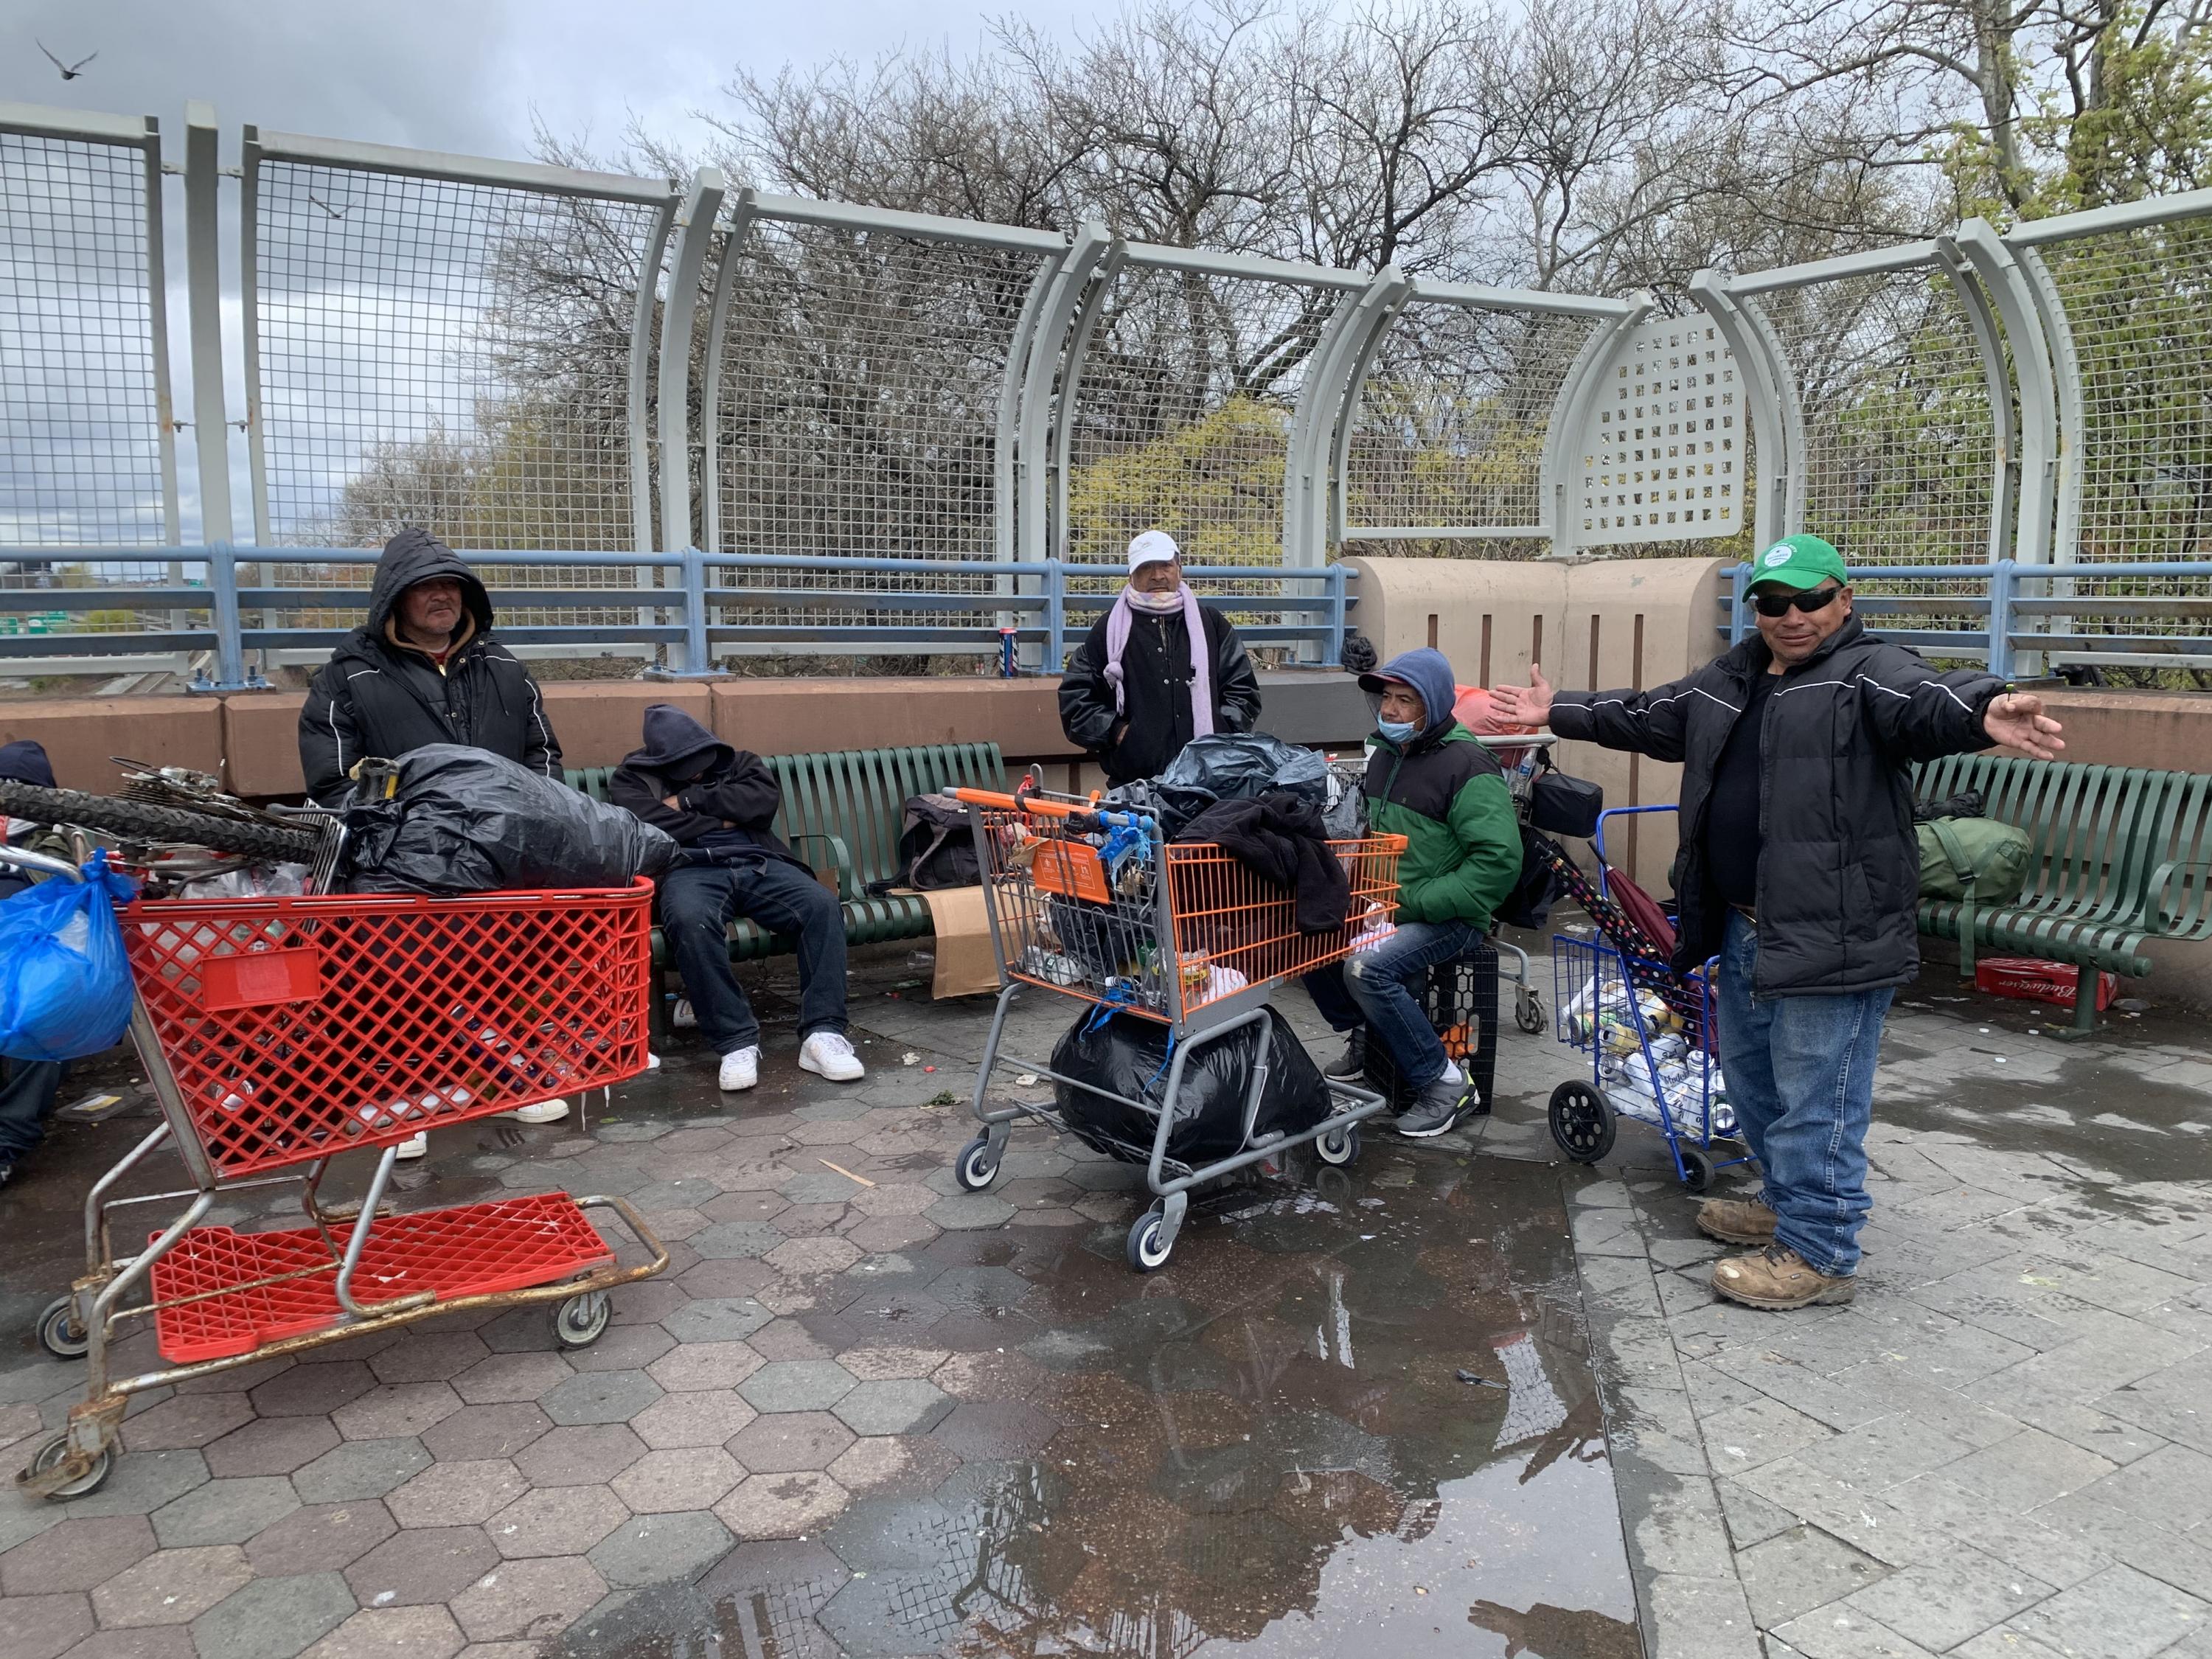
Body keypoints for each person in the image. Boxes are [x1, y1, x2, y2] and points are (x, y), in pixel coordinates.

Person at [1492, 534, 2063, 1310]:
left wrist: (1983, 708)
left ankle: (1820, 1253)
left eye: (1810, 599)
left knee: (1818, 1096)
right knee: (1754, 1081)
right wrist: (1551, 711)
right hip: (1744, 924)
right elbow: (1646, 714)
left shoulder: (1868, 674)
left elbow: (1925, 700)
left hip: (1833, 930)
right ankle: (1785, 1207)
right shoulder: (1731, 680)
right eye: (1773, 602)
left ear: (1844, 598)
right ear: (1754, 607)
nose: (1792, 616)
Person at [299, 527, 571, 1147]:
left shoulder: (505, 667)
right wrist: (416, 830)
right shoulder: (347, 678)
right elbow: (333, 783)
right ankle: (401, 1094)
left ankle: (510, 1079)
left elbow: (543, 756)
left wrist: (524, 820)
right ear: (395, 599)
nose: (442, 597)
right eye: (425, 587)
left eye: (451, 585)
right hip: (404, 864)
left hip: (501, 858)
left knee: (505, 972)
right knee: (398, 975)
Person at [1304, 647, 1523, 1140]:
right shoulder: (1386, 755)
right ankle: (1366, 1033)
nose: (1391, 710)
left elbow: (1498, 863)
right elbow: (1373, 838)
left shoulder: (1468, 766)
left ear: (1435, 705)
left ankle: (1444, 1083)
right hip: (1390, 906)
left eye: (1406, 701)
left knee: (1369, 969)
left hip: (1450, 917)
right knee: (1308, 933)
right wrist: (1355, 896)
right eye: (1387, 698)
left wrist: (1414, 904)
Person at [611, 705, 864, 1093]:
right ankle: (736, 1043)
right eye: (686, 771)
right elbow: (649, 828)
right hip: (688, 868)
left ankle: (822, 1033)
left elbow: (760, 807)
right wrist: (729, 814)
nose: (696, 772)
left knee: (821, 906)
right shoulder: (632, 780)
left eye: (701, 765)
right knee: (690, 919)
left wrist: (691, 802)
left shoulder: (741, 762)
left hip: (759, 862)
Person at [1059, 530, 1262, 787]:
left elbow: (1243, 690)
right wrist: (1119, 732)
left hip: (1210, 780)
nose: (1157, 576)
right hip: (1134, 783)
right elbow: (1075, 700)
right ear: (1131, 576)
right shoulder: (1108, 630)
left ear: (1180, 569)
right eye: (1146, 568)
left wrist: (1221, 732)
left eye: (1165, 565)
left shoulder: (1211, 624)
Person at [0, 740, 69, 1187]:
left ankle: (7, 1139)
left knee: (43, 1023)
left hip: (31, 959)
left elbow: (63, 887)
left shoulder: (55, 835)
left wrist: (12, 850)